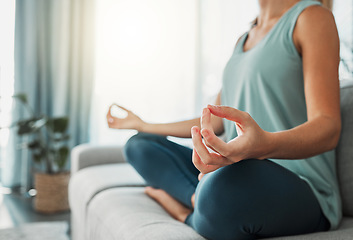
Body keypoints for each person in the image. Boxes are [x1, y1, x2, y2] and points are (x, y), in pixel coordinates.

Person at [106, 0, 341, 239]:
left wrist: (263, 145)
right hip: (239, 170)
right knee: (140, 145)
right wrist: (144, 125)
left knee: (222, 185)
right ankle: (199, 200)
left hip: (302, 187)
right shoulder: (243, 40)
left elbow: (328, 127)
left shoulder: (311, 18)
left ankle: (188, 213)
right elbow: (215, 122)